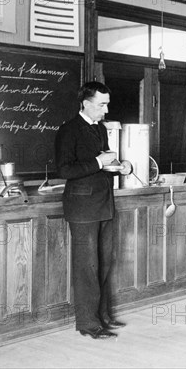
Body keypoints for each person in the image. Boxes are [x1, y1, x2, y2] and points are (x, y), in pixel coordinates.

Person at [55, 81, 131, 340]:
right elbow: (65, 170)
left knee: (105, 261)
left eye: (107, 104)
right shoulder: (69, 130)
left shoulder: (99, 128)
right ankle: (88, 323)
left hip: (103, 203)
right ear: (86, 104)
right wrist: (99, 162)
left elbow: (100, 161)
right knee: (87, 265)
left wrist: (120, 166)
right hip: (82, 207)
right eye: (102, 105)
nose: (106, 110)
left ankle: (103, 316)